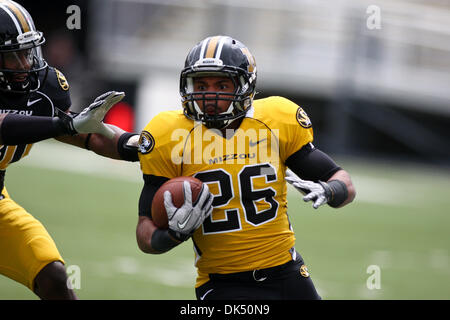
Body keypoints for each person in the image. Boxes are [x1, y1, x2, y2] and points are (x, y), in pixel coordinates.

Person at [136, 35, 356, 300]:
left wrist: (330, 191)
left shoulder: (275, 120)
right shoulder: (169, 133)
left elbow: (344, 182)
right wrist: (172, 235)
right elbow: (144, 232)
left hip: (287, 274)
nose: (209, 94)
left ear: (244, 86)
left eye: (221, 84)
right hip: (222, 284)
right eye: (201, 83)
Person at [0, 0, 138, 300]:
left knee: (53, 276)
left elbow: (86, 136)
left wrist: (136, 146)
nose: (25, 65)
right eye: (13, 57)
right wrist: (68, 125)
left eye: (27, 53)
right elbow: (4, 126)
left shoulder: (41, 86)